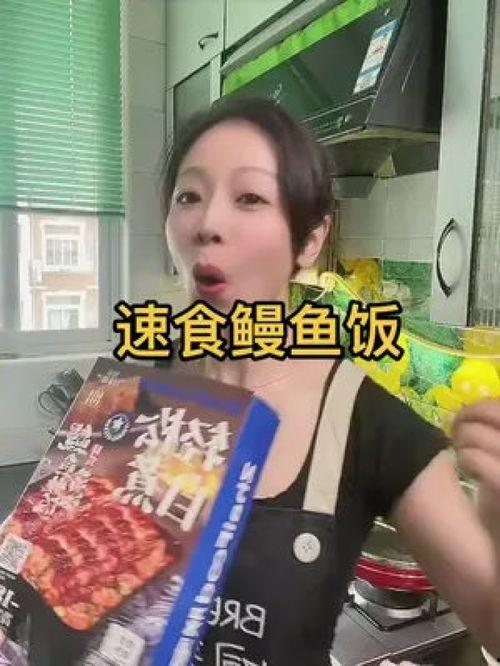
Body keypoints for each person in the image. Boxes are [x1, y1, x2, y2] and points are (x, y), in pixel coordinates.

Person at [160, 95, 500, 664]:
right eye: (189, 196)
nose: (208, 224)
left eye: (250, 197)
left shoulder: (371, 423)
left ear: (311, 240)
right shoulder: (133, 388)